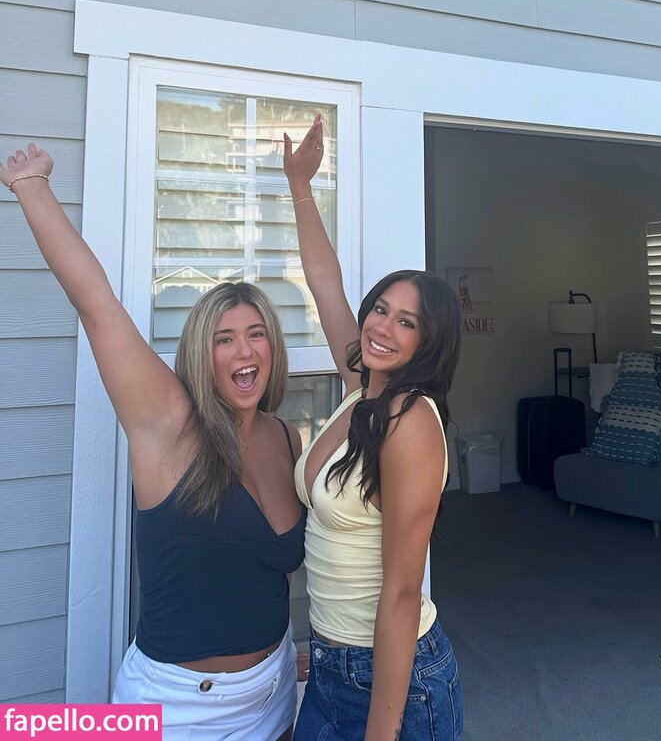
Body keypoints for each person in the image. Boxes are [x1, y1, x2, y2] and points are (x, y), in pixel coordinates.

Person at [1, 144, 305, 741]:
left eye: (256, 334)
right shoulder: (171, 427)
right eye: (224, 339)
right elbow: (98, 307)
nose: (245, 351)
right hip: (178, 711)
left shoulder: (286, 437)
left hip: (274, 693)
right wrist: (30, 185)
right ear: (201, 353)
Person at [283, 116, 464, 741]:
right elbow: (325, 282)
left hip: (396, 682)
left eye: (406, 322)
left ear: (429, 342)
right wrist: (300, 185)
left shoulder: (411, 422)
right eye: (380, 309)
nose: (382, 327)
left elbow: (403, 592)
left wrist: (380, 733)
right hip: (331, 664)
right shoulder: (361, 387)